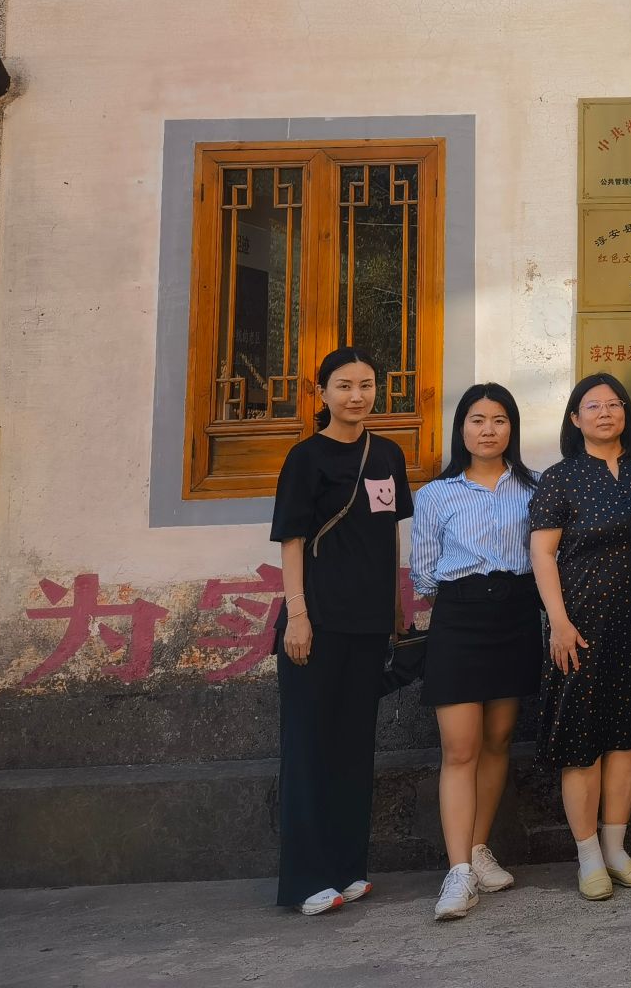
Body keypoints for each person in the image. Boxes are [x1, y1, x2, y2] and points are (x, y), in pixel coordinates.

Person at [269, 347, 412, 917]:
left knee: (354, 748)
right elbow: (292, 540)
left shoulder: (389, 454)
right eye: (345, 385)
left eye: (366, 385)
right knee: (310, 750)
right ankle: (304, 880)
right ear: (322, 392)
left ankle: (348, 868)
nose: (357, 396)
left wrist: (396, 607)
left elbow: (389, 534)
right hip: (318, 624)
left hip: (369, 625)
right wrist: (298, 615)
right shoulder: (305, 458)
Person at [530, 373, 631, 901]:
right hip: (581, 628)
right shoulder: (560, 478)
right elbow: (543, 553)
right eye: (593, 406)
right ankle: (587, 856)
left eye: (615, 404)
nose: (606, 413)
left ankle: (616, 850)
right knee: (582, 745)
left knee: (626, 742)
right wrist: (559, 621)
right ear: (575, 418)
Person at [412, 383, 543, 922]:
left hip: (516, 613)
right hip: (460, 618)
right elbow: (424, 574)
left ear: (512, 428)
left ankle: (479, 848)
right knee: (460, 748)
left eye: (499, 420)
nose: (488, 430)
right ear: (461, 428)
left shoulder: (534, 488)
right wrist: (467, 596)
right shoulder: (435, 495)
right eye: (477, 420)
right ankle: (458, 871)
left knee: (498, 739)